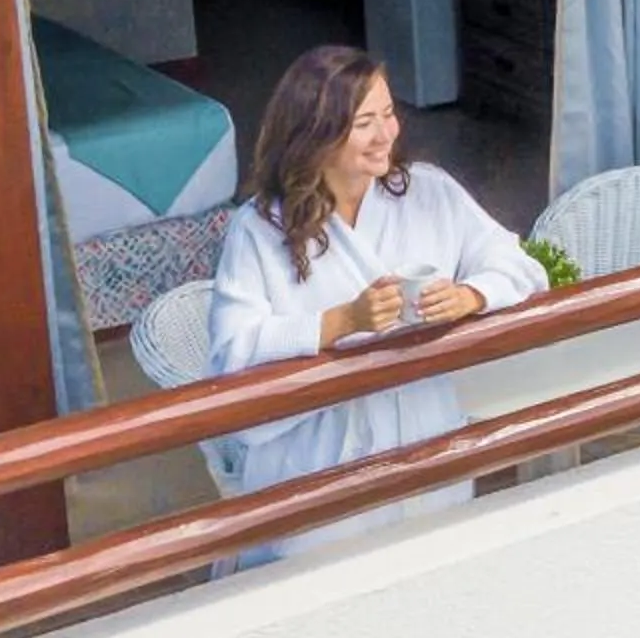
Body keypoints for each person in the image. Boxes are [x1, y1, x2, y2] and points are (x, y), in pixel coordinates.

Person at [207, 44, 547, 563]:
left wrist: (471, 296)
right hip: (316, 458)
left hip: (423, 432)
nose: (386, 133)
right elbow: (231, 351)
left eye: (388, 114)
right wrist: (341, 321)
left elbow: (519, 263)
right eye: (365, 122)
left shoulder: (427, 194)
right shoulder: (258, 229)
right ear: (317, 133)